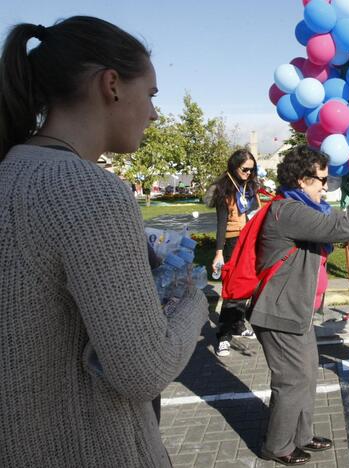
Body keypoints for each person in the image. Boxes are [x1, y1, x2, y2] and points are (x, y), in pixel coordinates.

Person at [0, 17, 208, 466]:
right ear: (111, 85)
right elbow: (142, 371)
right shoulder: (87, 190)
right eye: (151, 94)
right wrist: (195, 300)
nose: (154, 113)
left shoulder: (12, 171)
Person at [250, 146, 349, 465]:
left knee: (307, 376)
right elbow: (341, 229)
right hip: (279, 314)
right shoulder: (289, 211)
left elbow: (343, 219)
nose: (326, 185)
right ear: (300, 179)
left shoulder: (307, 208)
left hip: (296, 311)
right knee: (291, 381)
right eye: (321, 179)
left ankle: (302, 436)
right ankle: (278, 445)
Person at [209, 149, 261, 356]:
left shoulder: (252, 187)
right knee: (232, 290)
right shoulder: (224, 189)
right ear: (234, 166)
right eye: (245, 169)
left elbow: (256, 214)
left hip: (251, 242)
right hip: (232, 242)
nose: (249, 173)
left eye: (252, 169)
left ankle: (238, 324)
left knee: (247, 286)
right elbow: (221, 223)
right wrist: (219, 252)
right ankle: (223, 335)